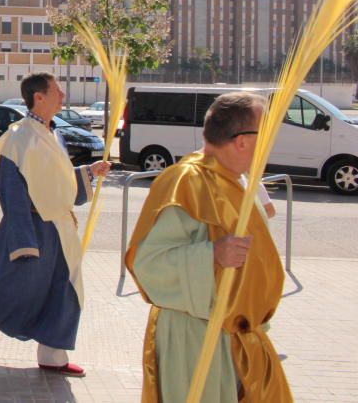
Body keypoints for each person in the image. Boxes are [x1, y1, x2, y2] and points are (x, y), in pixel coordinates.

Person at [125, 92, 291, 402]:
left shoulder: (239, 179)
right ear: (242, 140)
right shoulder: (186, 181)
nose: (272, 142)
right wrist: (211, 255)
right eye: (267, 133)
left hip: (238, 339)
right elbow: (148, 265)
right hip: (195, 339)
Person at [0, 73, 108, 376]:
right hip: (32, 228)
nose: (63, 96)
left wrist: (89, 172)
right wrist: (23, 238)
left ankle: (53, 355)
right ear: (38, 97)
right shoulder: (18, 137)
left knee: (64, 289)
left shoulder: (55, 134)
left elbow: (59, 180)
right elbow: (9, 190)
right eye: (57, 91)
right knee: (18, 290)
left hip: (61, 229)